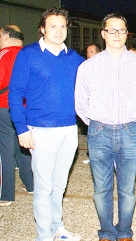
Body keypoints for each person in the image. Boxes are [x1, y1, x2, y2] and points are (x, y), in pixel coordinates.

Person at [8, 7, 84, 241]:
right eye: (53, 25)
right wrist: (21, 129)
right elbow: (14, 93)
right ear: (42, 28)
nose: (59, 30)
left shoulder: (74, 59)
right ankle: (44, 236)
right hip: (39, 131)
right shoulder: (28, 55)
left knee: (59, 185)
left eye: (63, 26)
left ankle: (57, 228)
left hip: (69, 131)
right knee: (43, 188)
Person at [75, 13, 136, 241]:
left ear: (127, 34)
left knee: (127, 190)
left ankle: (125, 231)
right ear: (103, 33)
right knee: (101, 189)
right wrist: (96, 124)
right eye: (112, 30)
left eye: (122, 30)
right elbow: (80, 102)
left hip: (129, 132)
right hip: (99, 132)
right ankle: (106, 231)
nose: (117, 34)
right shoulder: (88, 66)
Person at [0, 25, 33, 207]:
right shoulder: (29, 54)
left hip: (4, 106)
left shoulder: (3, 55)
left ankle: (5, 193)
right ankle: (30, 183)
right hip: (25, 108)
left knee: (4, 150)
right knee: (22, 145)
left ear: (6, 36)